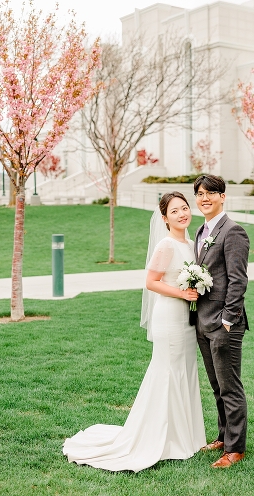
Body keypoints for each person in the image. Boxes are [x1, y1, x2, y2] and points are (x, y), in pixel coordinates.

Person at [63, 192, 206, 472]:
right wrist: (182, 293)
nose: (182, 214)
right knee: (167, 370)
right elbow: (151, 282)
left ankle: (186, 436)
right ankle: (162, 438)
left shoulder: (192, 244)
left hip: (187, 319)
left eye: (185, 208)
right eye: (174, 211)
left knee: (186, 370)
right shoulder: (165, 245)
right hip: (169, 316)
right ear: (164, 219)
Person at [191, 174, 250, 469]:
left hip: (225, 324)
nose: (204, 198)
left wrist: (228, 319)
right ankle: (223, 437)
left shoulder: (233, 232)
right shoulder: (201, 231)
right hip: (202, 321)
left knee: (230, 386)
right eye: (200, 193)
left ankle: (235, 448)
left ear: (223, 197)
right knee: (216, 386)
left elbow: (238, 280)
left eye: (210, 193)